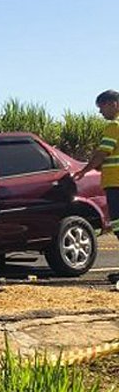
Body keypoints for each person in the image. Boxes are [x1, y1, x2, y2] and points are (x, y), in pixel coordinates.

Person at [73, 89, 119, 282]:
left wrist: (84, 171)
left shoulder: (113, 126)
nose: (101, 113)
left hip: (115, 183)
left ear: (113, 104)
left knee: (118, 227)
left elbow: (103, 153)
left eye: (102, 108)